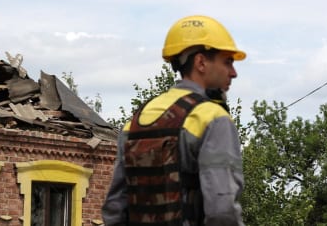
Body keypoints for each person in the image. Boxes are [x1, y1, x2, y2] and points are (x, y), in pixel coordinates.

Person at [102, 15, 247, 226]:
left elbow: (114, 209)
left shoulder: (135, 122)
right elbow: (221, 211)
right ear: (201, 62)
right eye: (227, 62)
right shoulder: (213, 118)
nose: (233, 73)